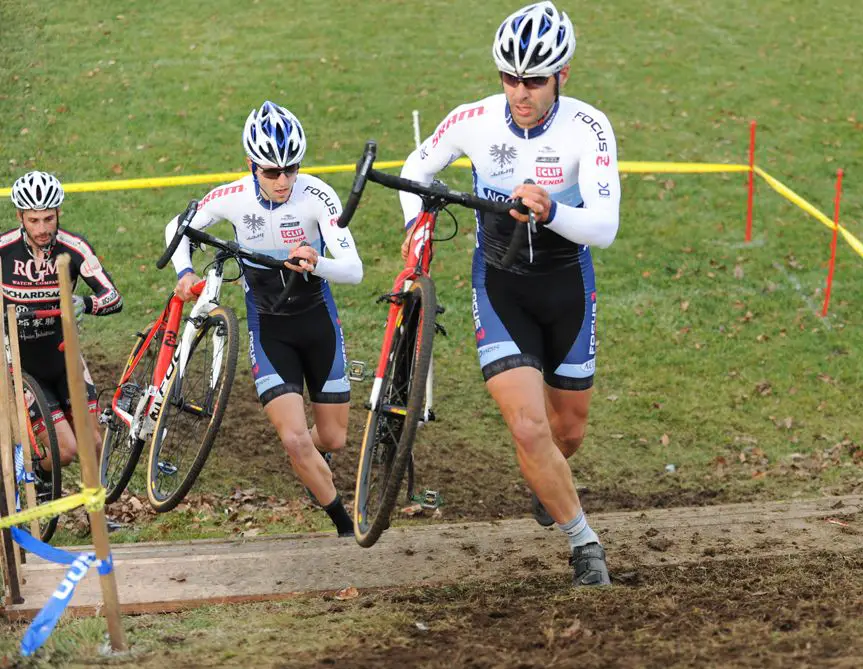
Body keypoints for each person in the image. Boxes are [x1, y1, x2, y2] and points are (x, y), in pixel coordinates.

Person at [398, 1, 620, 585]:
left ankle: (550, 481)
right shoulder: (473, 120)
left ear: (562, 77)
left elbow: (605, 226)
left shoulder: (588, 127)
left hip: (567, 286)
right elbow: (414, 171)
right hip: (499, 286)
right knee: (528, 428)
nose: (521, 93)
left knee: (566, 431)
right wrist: (414, 226)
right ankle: (585, 544)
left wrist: (550, 210)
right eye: (510, 78)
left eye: (536, 80)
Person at [167, 101, 363, 537]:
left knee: (331, 440)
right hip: (268, 326)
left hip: (317, 321)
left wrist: (318, 262)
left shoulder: (317, 195)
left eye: (291, 169)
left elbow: (354, 269)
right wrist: (184, 271)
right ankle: (345, 527)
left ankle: (314, 460)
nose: (283, 180)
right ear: (251, 165)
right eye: (271, 172)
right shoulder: (232, 197)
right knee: (294, 439)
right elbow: (175, 228)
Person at [2, 170, 124, 491]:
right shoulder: (4, 250)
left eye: (48, 219)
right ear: (20, 217)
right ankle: (38, 478)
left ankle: (95, 514)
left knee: (93, 442)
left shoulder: (74, 248)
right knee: (66, 451)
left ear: (58, 213)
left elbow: (112, 297)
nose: (42, 229)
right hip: (22, 364)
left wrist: (85, 303)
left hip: (64, 356)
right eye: (34, 220)